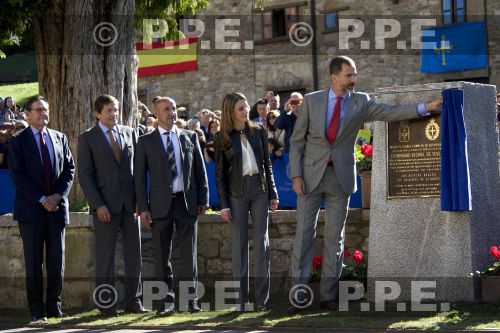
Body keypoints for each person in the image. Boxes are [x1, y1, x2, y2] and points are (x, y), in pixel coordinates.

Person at [288, 56, 442, 313]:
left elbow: (389, 113)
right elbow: (296, 141)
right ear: (334, 77)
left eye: (355, 74)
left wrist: (426, 107)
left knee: (335, 239)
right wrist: (295, 175)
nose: (354, 79)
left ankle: (327, 296)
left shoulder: (361, 101)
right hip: (309, 178)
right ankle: (299, 297)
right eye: (349, 75)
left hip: (341, 178)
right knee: (304, 236)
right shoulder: (312, 101)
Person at [135, 96, 208, 315]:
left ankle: (190, 301)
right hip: (159, 206)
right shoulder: (146, 141)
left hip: (187, 204)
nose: (171, 113)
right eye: (166, 109)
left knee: (189, 256)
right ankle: (165, 303)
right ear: (156, 114)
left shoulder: (189, 137)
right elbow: (139, 178)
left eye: (174, 108)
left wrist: (203, 199)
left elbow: (199, 171)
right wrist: (143, 207)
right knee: (161, 257)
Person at [77, 94, 148, 318]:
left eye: (116, 110)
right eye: (109, 110)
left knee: (134, 256)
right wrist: (98, 205)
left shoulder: (130, 132)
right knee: (105, 257)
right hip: (105, 208)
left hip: (130, 206)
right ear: (98, 113)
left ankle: (133, 301)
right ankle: (106, 305)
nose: (114, 114)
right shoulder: (87, 138)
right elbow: (86, 176)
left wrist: (140, 202)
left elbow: (137, 171)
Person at [8, 95, 75, 322]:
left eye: (46, 109)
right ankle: (37, 311)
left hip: (56, 209)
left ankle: (54, 306)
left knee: (57, 260)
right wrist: (41, 198)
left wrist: (56, 196)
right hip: (31, 211)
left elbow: (69, 170)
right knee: (34, 263)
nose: (44, 113)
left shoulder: (59, 138)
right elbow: (18, 175)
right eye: (38, 110)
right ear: (27, 114)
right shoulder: (18, 141)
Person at [213, 92, 279, 312]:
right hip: (236, 194)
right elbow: (219, 174)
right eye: (240, 108)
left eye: (246, 107)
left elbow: (267, 164)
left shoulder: (258, 131)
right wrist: (223, 204)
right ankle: (241, 302)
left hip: (259, 190)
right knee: (239, 247)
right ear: (230, 112)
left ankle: (262, 301)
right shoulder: (222, 136)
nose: (245, 111)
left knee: (262, 245)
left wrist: (273, 193)